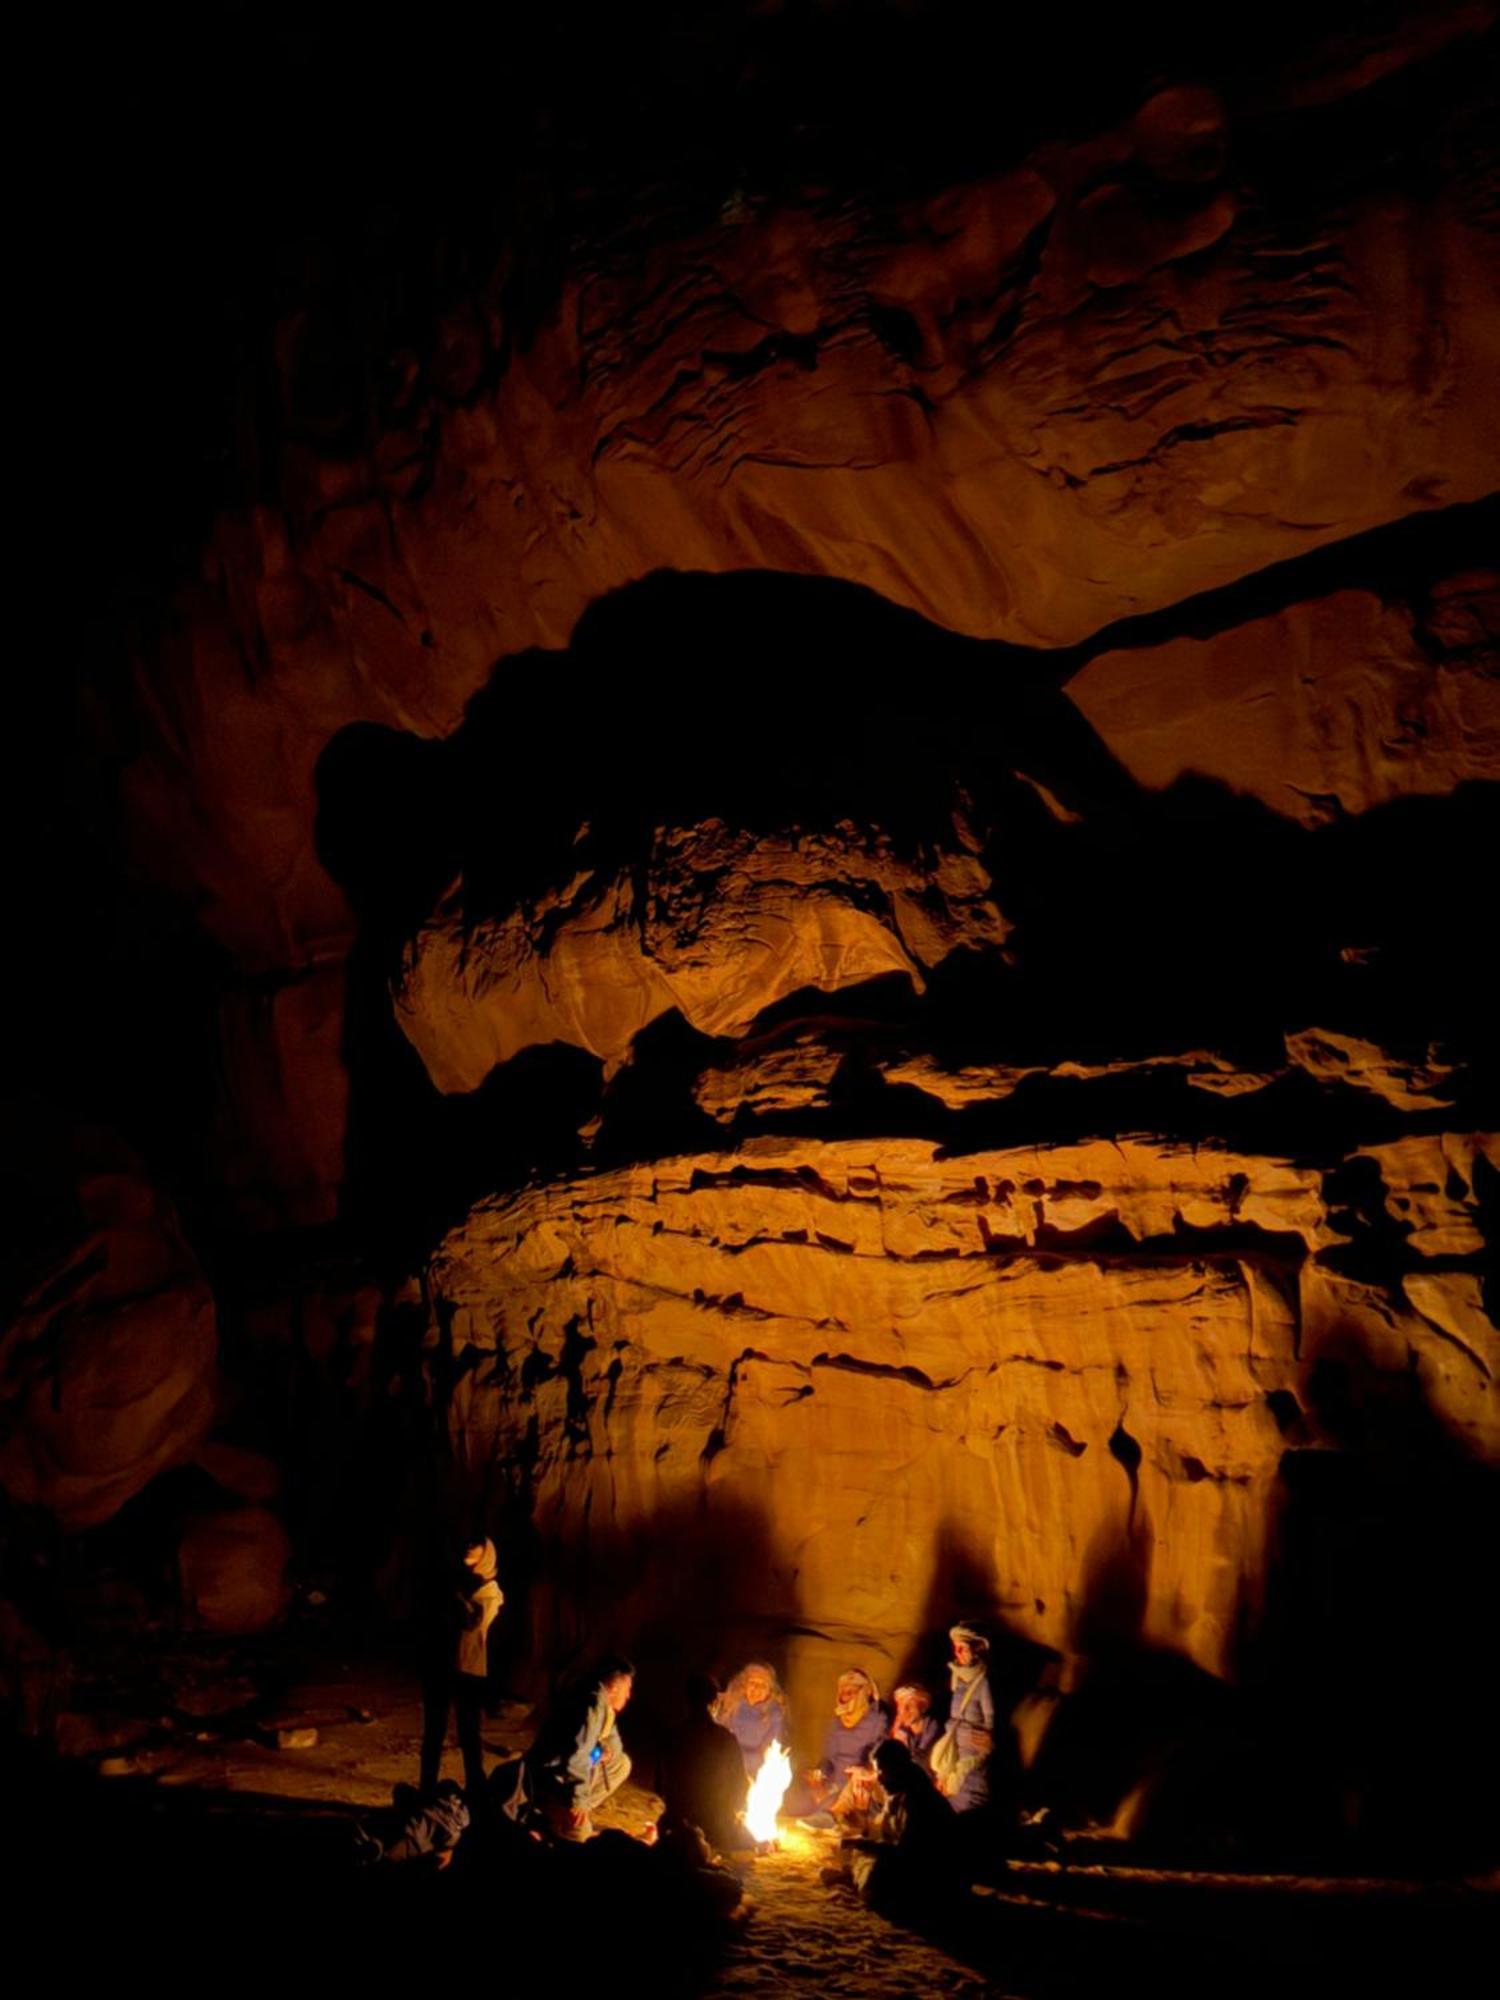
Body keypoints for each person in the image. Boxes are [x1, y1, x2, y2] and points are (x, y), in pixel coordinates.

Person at [419, 1536, 503, 1794]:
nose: (469, 1547)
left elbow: (472, 1623)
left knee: (469, 1732)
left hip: (468, 1668)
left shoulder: (490, 1591)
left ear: (486, 1554)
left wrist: (453, 1597)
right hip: (442, 1662)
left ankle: (475, 1787)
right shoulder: (456, 1582)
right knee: (434, 1730)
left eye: (476, 1545)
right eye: (467, 1543)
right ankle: (427, 1787)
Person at [525, 1653, 636, 1840]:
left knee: (622, 1763)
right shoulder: (590, 1704)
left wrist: (604, 1749)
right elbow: (576, 1758)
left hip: (567, 1774)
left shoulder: (605, 1708)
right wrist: (578, 1801)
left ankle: (567, 1815)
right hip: (548, 1778)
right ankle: (554, 1816)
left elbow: (615, 1745)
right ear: (614, 1687)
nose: (629, 1695)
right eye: (627, 1689)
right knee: (581, 1836)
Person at [849, 1737, 961, 1913]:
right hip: (913, 1863)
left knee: (875, 1873)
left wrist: (863, 1845)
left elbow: (908, 1853)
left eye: (882, 1772)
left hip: (933, 1873)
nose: (878, 1779)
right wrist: (862, 1818)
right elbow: (885, 1831)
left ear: (897, 1768)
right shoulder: (899, 1789)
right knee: (861, 1855)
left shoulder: (916, 1799)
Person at [660, 1673, 757, 1853]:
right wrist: (731, 1812)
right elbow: (741, 1786)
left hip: (677, 1823)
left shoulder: (673, 1735)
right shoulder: (726, 1739)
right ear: (714, 1703)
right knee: (750, 1843)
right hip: (716, 1826)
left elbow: (660, 1785)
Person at [789, 1666, 887, 1828]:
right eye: (842, 1692)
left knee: (852, 1787)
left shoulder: (878, 1720)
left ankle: (832, 1815)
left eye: (851, 1693)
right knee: (797, 1798)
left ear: (864, 1692)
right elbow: (829, 1758)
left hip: (862, 1786)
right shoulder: (836, 1723)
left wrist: (863, 1772)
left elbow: (879, 1757)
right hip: (835, 1784)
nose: (845, 1697)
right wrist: (820, 1773)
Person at [930, 1622, 994, 1813]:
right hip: (955, 1739)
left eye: (963, 1648)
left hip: (972, 1743)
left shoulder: (982, 1683)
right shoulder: (957, 1678)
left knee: (964, 1780)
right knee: (943, 1772)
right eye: (956, 1648)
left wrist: (988, 1738)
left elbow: (989, 1715)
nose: (958, 1652)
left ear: (975, 1650)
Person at [712, 1661, 789, 1778]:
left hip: (756, 1775)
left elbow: (771, 1750)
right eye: (752, 1682)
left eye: (762, 1685)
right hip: (727, 1771)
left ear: (769, 1690)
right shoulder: (731, 1706)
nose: (756, 1688)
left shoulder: (774, 1714)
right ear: (744, 1685)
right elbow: (718, 1737)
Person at [889, 1682, 941, 1768]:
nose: (904, 1710)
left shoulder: (932, 1726)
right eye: (901, 1705)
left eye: (910, 1705)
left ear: (923, 1707)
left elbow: (920, 1759)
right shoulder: (902, 1730)